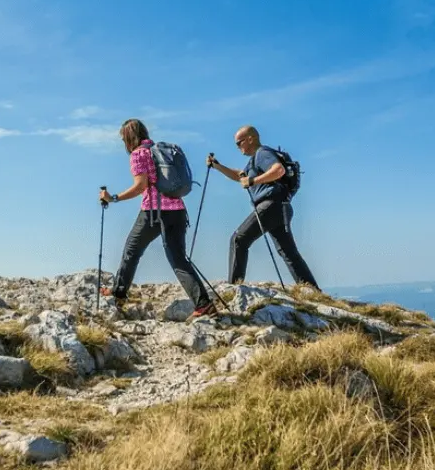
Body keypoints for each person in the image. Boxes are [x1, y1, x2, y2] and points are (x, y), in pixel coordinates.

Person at [98, 119, 217, 320]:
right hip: (178, 210)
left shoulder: (139, 154)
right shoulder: (160, 150)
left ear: (128, 138)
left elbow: (140, 186)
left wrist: (113, 198)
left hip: (153, 211)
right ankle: (204, 305)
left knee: (131, 250)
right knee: (178, 258)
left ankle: (119, 293)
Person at [205, 125, 320, 289]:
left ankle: (234, 286)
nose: (238, 147)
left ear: (250, 139)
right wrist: (218, 166)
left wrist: (253, 181)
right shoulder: (254, 160)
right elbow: (240, 176)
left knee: (239, 240)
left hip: (270, 205)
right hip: (281, 207)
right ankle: (313, 290)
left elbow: (278, 170)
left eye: (239, 143)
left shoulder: (262, 153)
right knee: (288, 253)